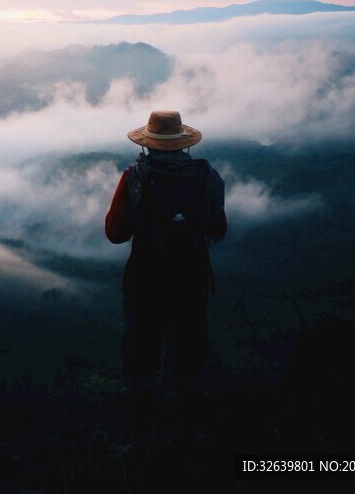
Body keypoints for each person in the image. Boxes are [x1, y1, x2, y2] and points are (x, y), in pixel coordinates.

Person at [105, 110, 226, 464]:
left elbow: (115, 234)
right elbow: (217, 229)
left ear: (148, 143)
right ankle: (190, 438)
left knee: (141, 364)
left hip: (144, 284)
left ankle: (140, 443)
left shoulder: (134, 178)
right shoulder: (206, 177)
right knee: (188, 360)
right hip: (190, 282)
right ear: (183, 143)